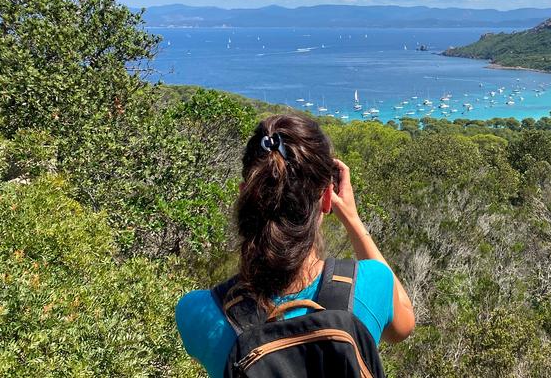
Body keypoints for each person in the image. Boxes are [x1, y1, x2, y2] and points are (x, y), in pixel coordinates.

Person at [175, 113, 415, 377]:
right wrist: (352, 218)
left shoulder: (197, 312)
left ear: (246, 194)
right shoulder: (371, 283)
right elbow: (401, 327)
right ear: (326, 197)